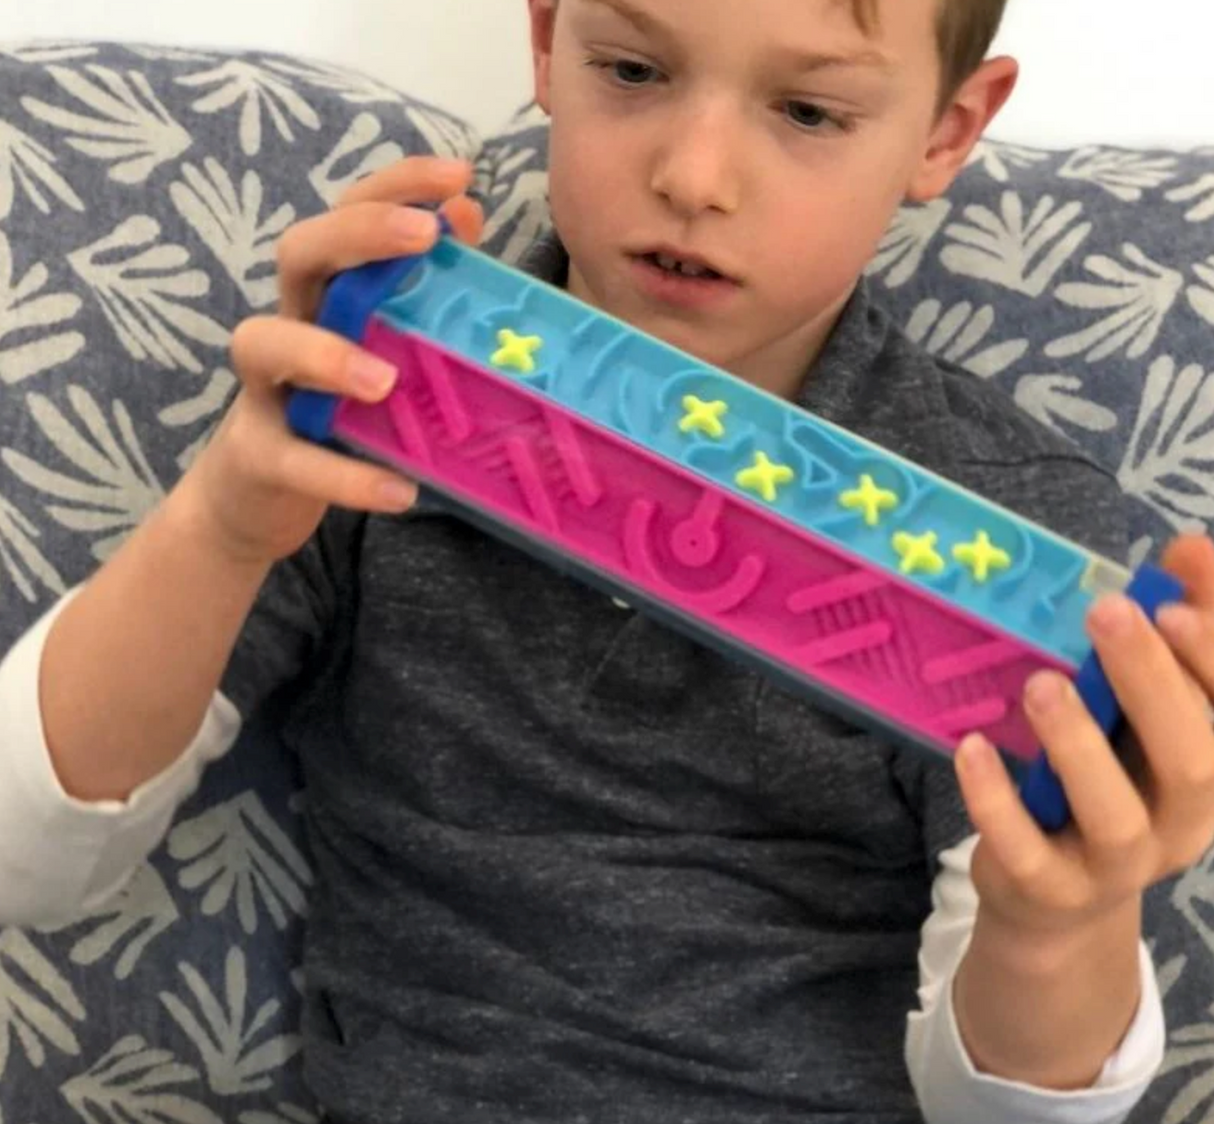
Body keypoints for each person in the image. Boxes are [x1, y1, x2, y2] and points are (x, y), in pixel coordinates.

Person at [4, 1, 1214, 1121]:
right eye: (630, 70)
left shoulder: (1019, 547)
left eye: (806, 112)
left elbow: (1007, 1105)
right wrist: (217, 524)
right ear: (545, 44)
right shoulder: (360, 409)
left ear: (944, 133)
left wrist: (1058, 924)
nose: (691, 178)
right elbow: (28, 854)